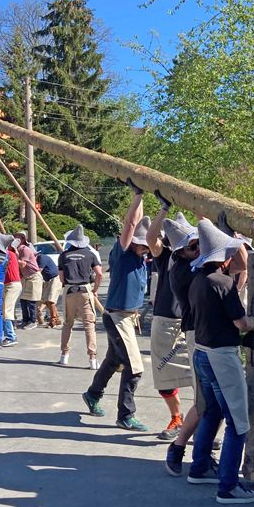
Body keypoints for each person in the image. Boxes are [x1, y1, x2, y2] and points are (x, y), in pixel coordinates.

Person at [186, 219, 254, 504]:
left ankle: (200, 465)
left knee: (212, 411)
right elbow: (240, 322)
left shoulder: (197, 279)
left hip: (202, 352)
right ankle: (228, 486)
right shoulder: (224, 283)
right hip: (222, 356)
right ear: (223, 256)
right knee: (238, 423)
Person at [82, 179, 151, 431]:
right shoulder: (123, 254)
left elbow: (140, 224)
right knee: (134, 367)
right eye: (142, 242)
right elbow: (131, 224)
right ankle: (125, 414)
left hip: (126, 318)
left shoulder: (141, 258)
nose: (147, 246)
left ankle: (93, 394)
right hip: (117, 317)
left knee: (114, 361)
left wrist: (143, 200)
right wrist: (138, 195)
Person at [147, 194, 198, 441]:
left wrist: (202, 214)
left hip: (193, 324)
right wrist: (163, 209)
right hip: (165, 321)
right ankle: (177, 418)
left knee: (202, 379)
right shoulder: (166, 256)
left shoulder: (202, 257)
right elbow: (150, 237)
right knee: (164, 377)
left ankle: (201, 423)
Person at [164, 213, 208, 475]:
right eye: (194, 246)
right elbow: (238, 265)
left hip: (202, 334)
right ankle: (179, 448)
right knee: (205, 400)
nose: (199, 249)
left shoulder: (188, 263)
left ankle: (189, 449)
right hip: (198, 335)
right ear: (182, 251)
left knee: (209, 401)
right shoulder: (186, 271)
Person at [56, 225, 102, 369]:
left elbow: (61, 277)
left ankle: (64, 356)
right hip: (84, 290)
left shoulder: (63, 255)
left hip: (69, 290)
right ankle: (92, 359)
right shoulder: (90, 254)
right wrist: (95, 289)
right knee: (89, 325)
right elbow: (99, 273)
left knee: (68, 323)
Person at [16, 232, 44, 330]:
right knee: (23, 300)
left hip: (34, 276)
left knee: (31, 300)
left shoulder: (25, 249)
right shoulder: (17, 250)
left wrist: (14, 257)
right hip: (25, 277)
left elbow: (22, 264)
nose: (15, 239)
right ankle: (25, 320)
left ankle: (33, 321)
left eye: (18, 237)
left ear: (23, 239)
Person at [2, 238, 23, 347]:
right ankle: (7, 334)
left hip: (12, 284)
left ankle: (11, 336)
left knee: (6, 311)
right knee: (6, 310)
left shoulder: (8, 254)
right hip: (12, 284)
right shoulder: (13, 253)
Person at [37, 251, 62, 328]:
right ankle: (57, 319)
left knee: (51, 301)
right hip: (48, 280)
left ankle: (53, 320)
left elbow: (38, 271)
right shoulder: (36, 260)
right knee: (45, 301)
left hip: (55, 279)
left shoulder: (41, 258)